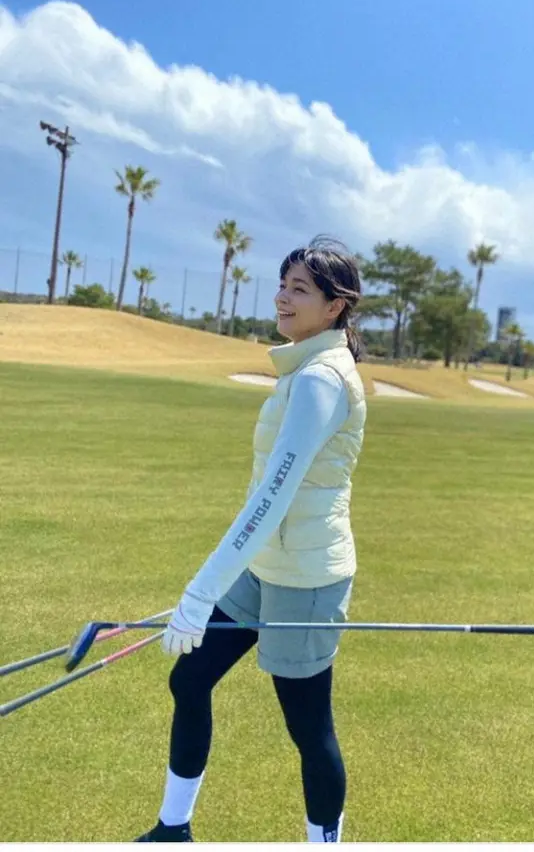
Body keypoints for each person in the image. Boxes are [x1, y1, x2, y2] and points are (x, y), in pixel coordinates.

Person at [135, 235, 367, 844]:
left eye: (300, 290)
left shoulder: (321, 380)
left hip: (306, 580)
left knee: (309, 728)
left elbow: (272, 500)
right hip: (264, 568)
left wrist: (198, 593)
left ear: (335, 306)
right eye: (283, 285)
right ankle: (173, 829)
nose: (283, 298)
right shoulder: (303, 369)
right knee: (190, 679)